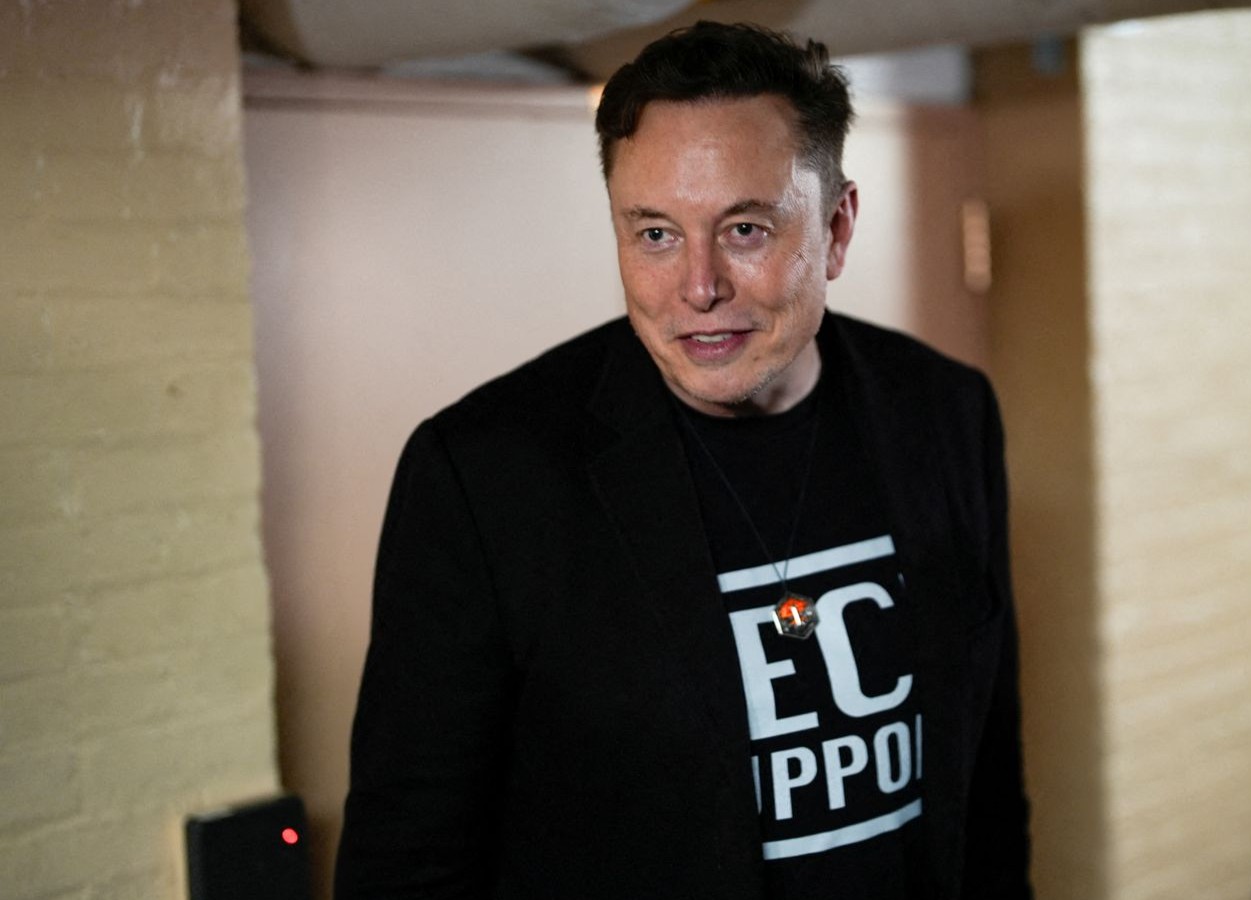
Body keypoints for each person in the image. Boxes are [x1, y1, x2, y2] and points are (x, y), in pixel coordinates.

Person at [333, 21, 1032, 899]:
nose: (699, 288)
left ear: (837, 228)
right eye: (656, 234)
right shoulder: (485, 477)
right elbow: (406, 861)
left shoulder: (944, 412)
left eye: (745, 229)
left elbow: (987, 775)